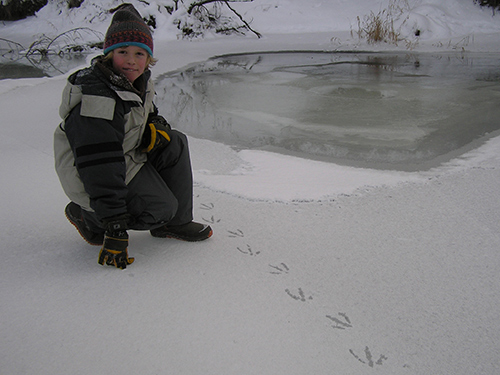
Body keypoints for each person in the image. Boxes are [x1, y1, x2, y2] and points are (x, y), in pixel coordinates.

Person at [54, 3, 212, 270]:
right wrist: (114, 224)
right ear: (108, 55)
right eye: (122, 51)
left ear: (148, 58)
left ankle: (175, 224)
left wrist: (155, 123)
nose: (131, 60)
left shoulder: (136, 81)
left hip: (123, 156)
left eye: (140, 53)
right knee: (160, 209)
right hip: (90, 173)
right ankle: (90, 219)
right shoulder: (98, 99)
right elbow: (99, 164)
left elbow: (145, 111)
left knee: (175, 142)